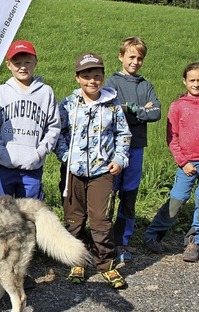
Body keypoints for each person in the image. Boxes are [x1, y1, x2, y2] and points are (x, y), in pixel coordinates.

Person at [0, 39, 60, 289]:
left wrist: (40, 153)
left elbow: (53, 127)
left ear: (35, 62)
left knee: (26, 219)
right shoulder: (1, 92)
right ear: (9, 65)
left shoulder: (45, 92)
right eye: (17, 62)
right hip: (4, 168)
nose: (23, 66)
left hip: (32, 170)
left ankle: (20, 269)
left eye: (27, 61)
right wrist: (1, 153)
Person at [54, 53, 131, 289]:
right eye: (86, 76)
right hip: (73, 174)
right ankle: (77, 260)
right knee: (74, 219)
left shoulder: (113, 104)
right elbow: (59, 134)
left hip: (102, 173)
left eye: (97, 76)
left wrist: (119, 159)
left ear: (103, 77)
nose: (92, 81)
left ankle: (106, 264)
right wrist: (66, 156)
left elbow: (123, 134)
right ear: (77, 78)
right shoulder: (68, 104)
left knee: (100, 219)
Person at [143, 62, 199, 262]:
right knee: (177, 199)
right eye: (192, 80)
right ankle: (152, 235)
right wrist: (183, 162)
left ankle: (194, 240)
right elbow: (172, 138)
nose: (196, 84)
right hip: (187, 164)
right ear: (185, 81)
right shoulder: (177, 106)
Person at [104, 36, 161, 264]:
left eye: (139, 58)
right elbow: (113, 109)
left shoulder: (145, 85)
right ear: (121, 57)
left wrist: (130, 110)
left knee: (129, 197)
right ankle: (103, 241)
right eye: (131, 57)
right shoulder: (111, 83)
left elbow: (156, 112)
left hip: (136, 148)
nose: (135, 61)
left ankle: (122, 240)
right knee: (108, 196)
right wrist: (139, 110)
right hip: (113, 149)